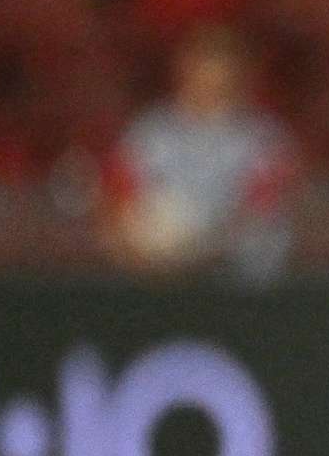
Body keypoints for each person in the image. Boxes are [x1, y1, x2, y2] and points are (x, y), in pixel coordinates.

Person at [107, 27, 296, 283]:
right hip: (158, 280)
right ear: (184, 71)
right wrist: (141, 254)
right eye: (202, 68)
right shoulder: (149, 134)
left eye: (221, 71)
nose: (211, 82)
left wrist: (196, 252)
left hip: (240, 285)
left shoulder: (263, 139)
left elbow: (261, 213)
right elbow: (116, 207)